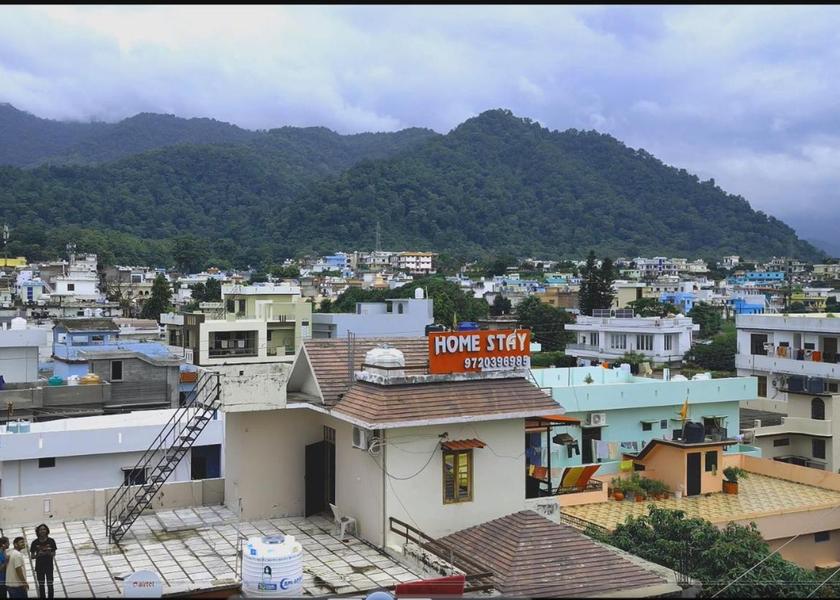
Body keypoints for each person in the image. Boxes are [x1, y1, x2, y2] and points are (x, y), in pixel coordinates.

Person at [28, 526, 55, 600]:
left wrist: (48, 553)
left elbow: (53, 554)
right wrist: (38, 555)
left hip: (49, 567)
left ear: (47, 530)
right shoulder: (35, 542)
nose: (42, 531)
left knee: (50, 585)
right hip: (39, 567)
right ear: (38, 532)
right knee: (41, 585)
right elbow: (32, 556)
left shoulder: (51, 541)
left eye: (44, 529)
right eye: (40, 530)